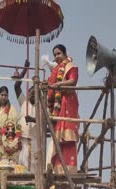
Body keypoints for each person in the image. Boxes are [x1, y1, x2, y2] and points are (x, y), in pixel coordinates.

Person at [47, 44, 79, 174]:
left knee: (68, 138)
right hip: (59, 105)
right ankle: (58, 169)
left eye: (59, 53)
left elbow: (73, 81)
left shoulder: (71, 67)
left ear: (65, 54)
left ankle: (69, 170)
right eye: (54, 55)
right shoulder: (56, 70)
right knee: (58, 138)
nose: (56, 57)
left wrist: (59, 84)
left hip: (69, 103)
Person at [14, 60, 37, 173]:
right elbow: (16, 86)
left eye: (35, 93)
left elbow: (44, 121)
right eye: (31, 92)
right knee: (21, 166)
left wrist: (33, 119)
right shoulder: (23, 102)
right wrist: (25, 69)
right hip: (22, 139)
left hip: (34, 141)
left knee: (33, 167)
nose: (32, 94)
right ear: (27, 93)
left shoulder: (41, 107)